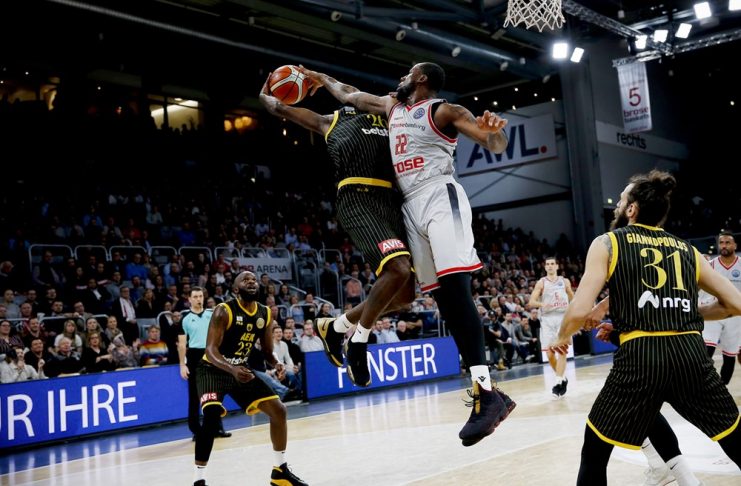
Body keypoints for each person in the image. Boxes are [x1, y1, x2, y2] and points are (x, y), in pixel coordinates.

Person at [298, 62, 513, 447]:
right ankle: (487, 393)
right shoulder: (390, 107)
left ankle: (485, 393)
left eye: (406, 74)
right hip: (408, 205)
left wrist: (496, 132)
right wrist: (320, 78)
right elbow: (348, 93)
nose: (399, 78)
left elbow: (491, 142)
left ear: (421, 79)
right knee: (442, 299)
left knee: (456, 289)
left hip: (439, 193)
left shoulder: (443, 111)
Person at [553, 170, 741, 485]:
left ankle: (668, 470)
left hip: (641, 359)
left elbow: (579, 310)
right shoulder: (688, 250)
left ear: (631, 209)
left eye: (621, 200)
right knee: (734, 438)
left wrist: (561, 336)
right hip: (690, 356)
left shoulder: (608, 243)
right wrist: (682, 313)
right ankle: (674, 471)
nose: (616, 206)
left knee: (595, 451)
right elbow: (735, 304)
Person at [259, 80, 416, 388]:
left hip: (390, 201)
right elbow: (282, 109)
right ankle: (359, 340)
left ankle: (336, 326)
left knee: (405, 297)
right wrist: (266, 95)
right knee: (397, 267)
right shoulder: (331, 121)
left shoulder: (388, 114)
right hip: (357, 197)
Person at [193, 271, 307, 486]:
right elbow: (210, 350)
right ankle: (198, 480)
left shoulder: (265, 313)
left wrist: (277, 363)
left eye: (254, 279)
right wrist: (232, 369)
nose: (251, 282)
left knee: (279, 410)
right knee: (211, 416)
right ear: (236, 289)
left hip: (240, 370)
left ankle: (280, 471)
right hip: (212, 369)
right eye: (245, 280)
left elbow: (267, 351)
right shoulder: (223, 310)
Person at [178, 287, 230, 440]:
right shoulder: (185, 319)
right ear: (189, 299)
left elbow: (221, 335)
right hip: (194, 356)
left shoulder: (211, 315)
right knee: (194, 395)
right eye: (195, 297)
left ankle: (217, 428)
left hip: (210, 353)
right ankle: (196, 431)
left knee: (214, 393)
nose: (198, 299)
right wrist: (182, 365)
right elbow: (182, 345)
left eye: (200, 296)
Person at [528, 256, 574, 397]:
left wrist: (576, 312)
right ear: (545, 267)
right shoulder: (541, 282)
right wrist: (542, 304)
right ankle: (563, 378)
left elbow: (573, 298)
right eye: (547, 264)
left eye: (552, 263)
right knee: (549, 354)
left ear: (557, 266)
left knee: (562, 350)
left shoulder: (564, 281)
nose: (550, 266)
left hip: (562, 317)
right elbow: (531, 302)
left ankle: (558, 381)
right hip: (547, 319)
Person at [701, 231, 740, 385]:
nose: (724, 246)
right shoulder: (710, 265)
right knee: (706, 352)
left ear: (735, 245)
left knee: (730, 357)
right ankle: (703, 387)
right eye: (721, 243)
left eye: (727, 242)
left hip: (736, 316)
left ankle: (722, 388)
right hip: (714, 312)